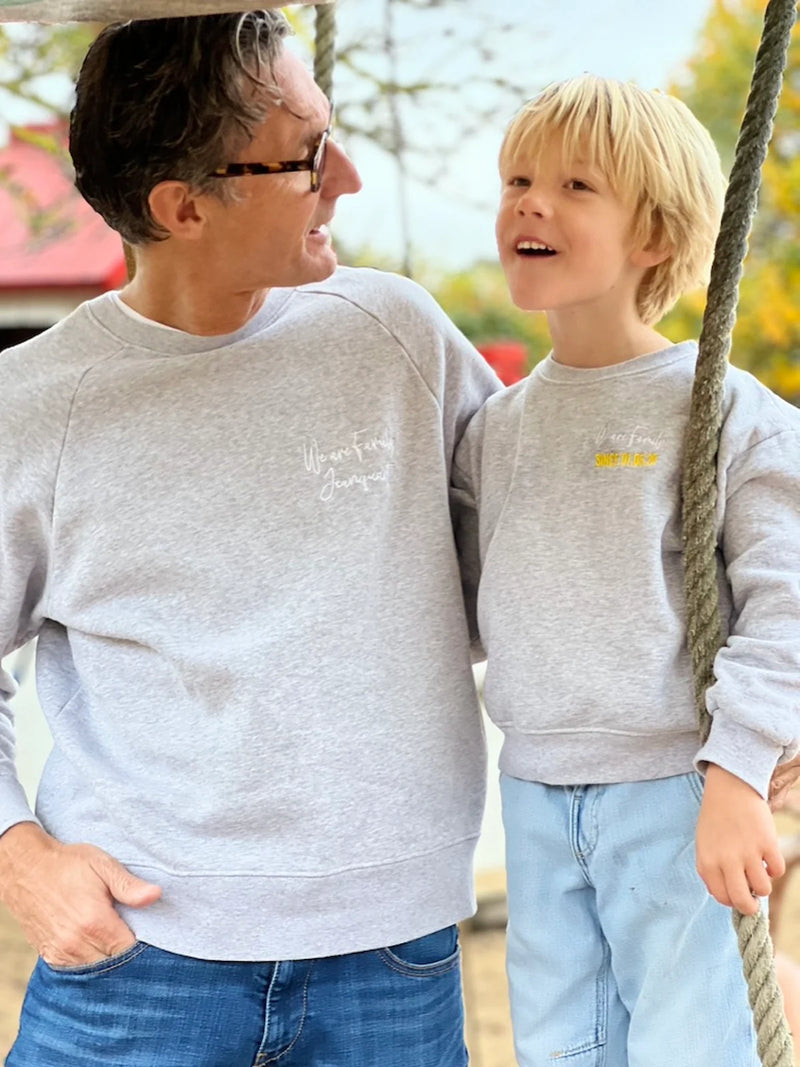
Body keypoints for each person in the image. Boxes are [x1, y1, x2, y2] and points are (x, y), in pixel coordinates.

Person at [0, 11, 500, 1066]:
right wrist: (19, 856)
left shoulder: (398, 336)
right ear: (182, 206)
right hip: (135, 962)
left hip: (393, 963)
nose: (348, 178)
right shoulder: (31, 408)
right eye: (307, 156)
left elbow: (547, 558)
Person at [453, 75, 800, 1066]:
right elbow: (474, 600)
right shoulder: (498, 427)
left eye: (573, 185)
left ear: (650, 236)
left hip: (674, 786)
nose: (529, 201)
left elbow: (783, 602)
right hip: (534, 782)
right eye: (517, 178)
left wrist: (737, 770)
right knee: (560, 1041)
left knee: (688, 1039)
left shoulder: (721, 412)